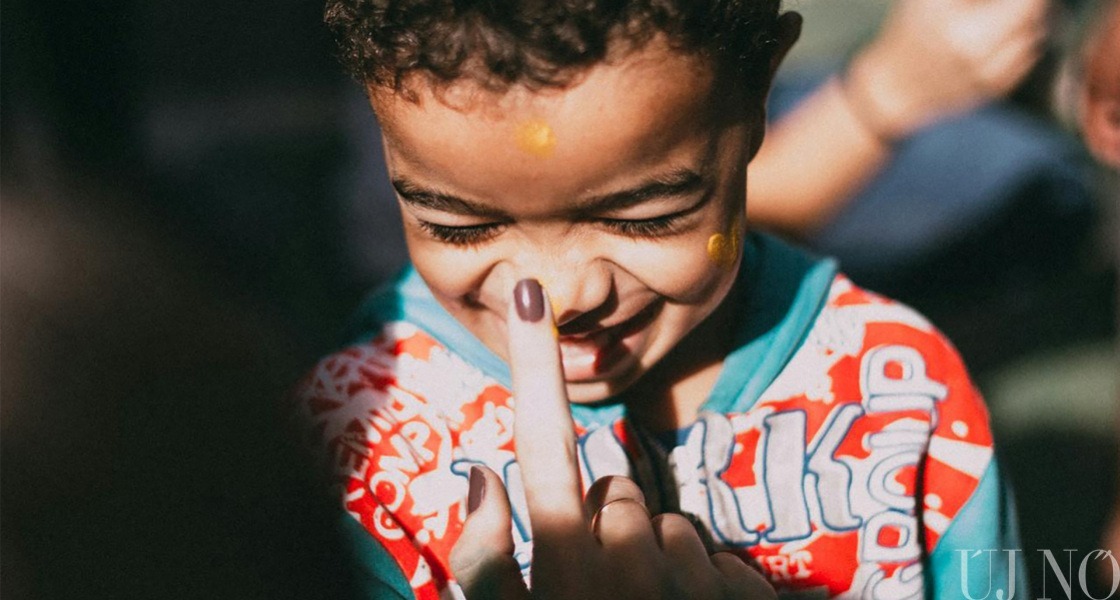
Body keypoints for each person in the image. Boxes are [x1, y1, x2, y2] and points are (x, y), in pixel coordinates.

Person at [295, 1, 1024, 598]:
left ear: (758, 88)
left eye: (645, 217)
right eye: (462, 226)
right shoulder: (359, 449)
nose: (560, 296)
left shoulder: (904, 395)